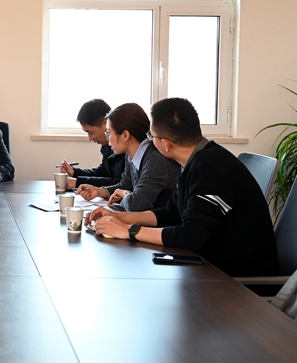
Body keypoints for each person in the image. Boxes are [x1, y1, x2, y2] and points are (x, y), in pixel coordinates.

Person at [87, 97, 279, 277]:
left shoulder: (210, 169)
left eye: (151, 135)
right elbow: (171, 213)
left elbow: (191, 236)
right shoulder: (196, 161)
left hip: (238, 280)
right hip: (212, 266)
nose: (149, 140)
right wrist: (118, 217)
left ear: (166, 144)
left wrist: (128, 231)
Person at [76, 103, 179, 211]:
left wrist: (125, 194)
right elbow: (125, 185)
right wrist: (99, 191)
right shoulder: (131, 156)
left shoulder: (155, 159)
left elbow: (135, 204)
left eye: (109, 133)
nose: (108, 139)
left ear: (125, 135)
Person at [59, 99, 125, 190]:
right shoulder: (107, 146)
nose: (90, 138)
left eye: (91, 132)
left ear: (105, 123)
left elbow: (120, 183)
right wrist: (75, 172)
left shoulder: (124, 148)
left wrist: (78, 182)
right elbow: (103, 173)